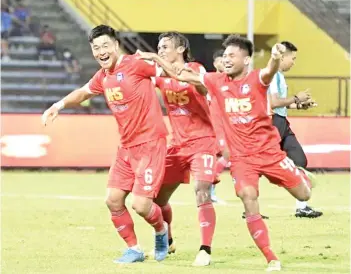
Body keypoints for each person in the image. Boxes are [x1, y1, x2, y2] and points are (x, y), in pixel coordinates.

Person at [148, 35, 314, 272]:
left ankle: (302, 177)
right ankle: (271, 258)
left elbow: (269, 70)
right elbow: (181, 75)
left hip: (268, 153)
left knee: (304, 195)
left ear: (246, 60)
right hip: (241, 158)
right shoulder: (215, 80)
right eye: (224, 56)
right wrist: (156, 59)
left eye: (231, 56)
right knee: (248, 197)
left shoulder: (257, 78)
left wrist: (276, 58)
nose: (226, 60)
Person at [41, 25, 170, 264]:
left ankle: (162, 232)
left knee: (141, 205)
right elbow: (82, 93)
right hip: (126, 147)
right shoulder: (103, 76)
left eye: (105, 46)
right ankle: (134, 249)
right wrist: (57, 106)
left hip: (151, 143)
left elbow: (168, 73)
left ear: (116, 45)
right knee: (112, 200)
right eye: (96, 48)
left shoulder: (135, 64)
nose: (101, 51)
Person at [143, 32, 217, 266]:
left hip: (203, 141)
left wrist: (155, 58)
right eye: (159, 46)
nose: (161, 49)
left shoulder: (196, 69)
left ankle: (205, 249)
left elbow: (190, 79)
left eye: (165, 46)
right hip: (177, 145)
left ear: (181, 48)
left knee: (202, 190)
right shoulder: (161, 76)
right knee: (155, 198)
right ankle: (169, 238)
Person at [268, 41, 322, 218]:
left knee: (299, 159)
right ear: (282, 56)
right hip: (272, 123)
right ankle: (250, 208)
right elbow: (274, 103)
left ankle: (302, 207)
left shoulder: (280, 77)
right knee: (259, 165)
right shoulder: (273, 74)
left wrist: (299, 105)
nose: (293, 62)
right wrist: (296, 98)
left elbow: (280, 105)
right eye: (293, 58)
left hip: (282, 122)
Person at [207, 49, 229, 203]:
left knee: (219, 156)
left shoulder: (229, 80)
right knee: (227, 154)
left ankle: (209, 189)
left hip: (227, 123)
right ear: (215, 63)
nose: (225, 63)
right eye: (222, 60)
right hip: (216, 122)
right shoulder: (211, 79)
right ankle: (210, 187)